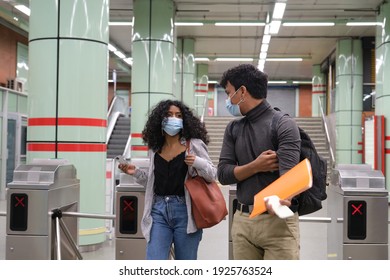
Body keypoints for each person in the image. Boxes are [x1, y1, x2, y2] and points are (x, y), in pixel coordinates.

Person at [217, 64, 301, 260]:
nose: (228, 100)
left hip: (278, 223)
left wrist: (285, 196)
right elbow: (223, 173)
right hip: (243, 221)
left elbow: (289, 179)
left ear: (242, 91)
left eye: (229, 93)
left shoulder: (284, 125)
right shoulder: (233, 128)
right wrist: (256, 166)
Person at [118, 99, 216, 260]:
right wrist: (134, 172)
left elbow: (212, 174)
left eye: (178, 115)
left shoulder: (195, 145)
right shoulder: (155, 148)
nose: (174, 118)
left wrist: (198, 162)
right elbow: (153, 183)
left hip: (185, 210)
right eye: (169, 115)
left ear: (184, 120)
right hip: (158, 210)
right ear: (160, 119)